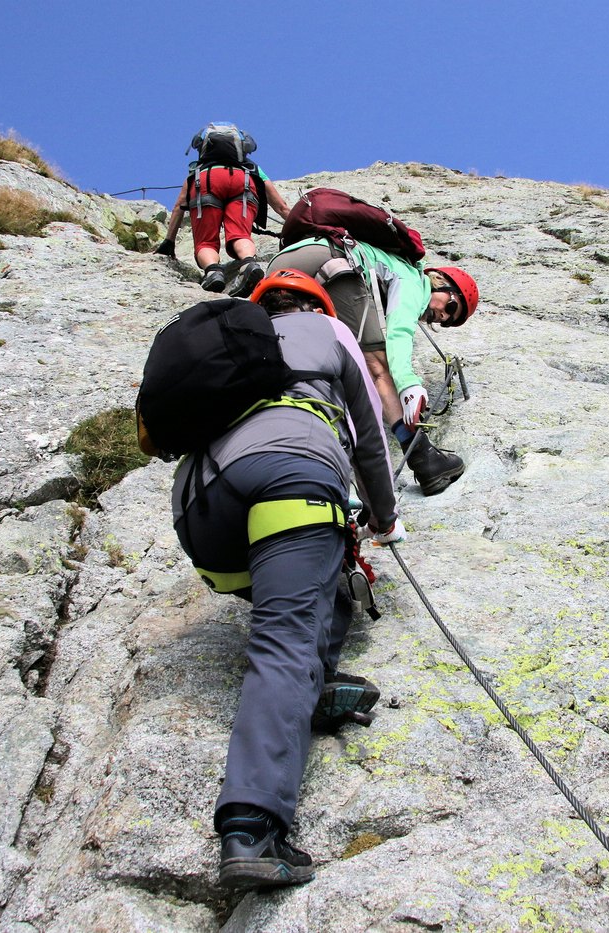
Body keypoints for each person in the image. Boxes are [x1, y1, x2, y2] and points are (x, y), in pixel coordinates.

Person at [168, 270, 404, 889]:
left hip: (202, 515)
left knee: (325, 580)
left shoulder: (235, 348)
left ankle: (315, 690)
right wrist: (384, 514)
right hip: (288, 479)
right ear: (320, 305)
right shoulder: (327, 329)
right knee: (285, 640)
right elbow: (371, 439)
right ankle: (252, 826)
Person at [266, 236, 479, 496]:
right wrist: (408, 384)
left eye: (448, 321)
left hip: (280, 268)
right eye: (451, 306)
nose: (443, 317)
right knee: (376, 364)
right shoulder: (413, 280)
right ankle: (424, 458)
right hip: (329, 260)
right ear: (439, 281)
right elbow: (399, 333)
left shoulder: (387, 270)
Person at [154, 128, 292, 298]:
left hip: (207, 181)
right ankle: (249, 263)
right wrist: (301, 226)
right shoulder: (251, 168)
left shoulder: (198, 169)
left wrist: (169, 241)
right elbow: (281, 206)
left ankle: (213, 272)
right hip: (243, 181)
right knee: (240, 234)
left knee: (206, 242)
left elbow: (179, 206)